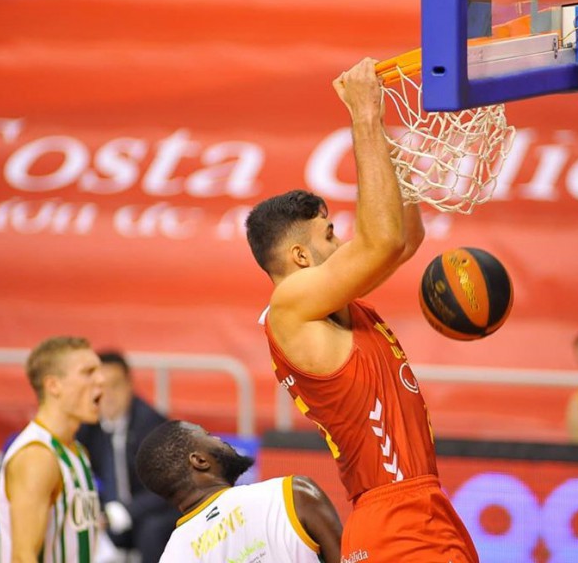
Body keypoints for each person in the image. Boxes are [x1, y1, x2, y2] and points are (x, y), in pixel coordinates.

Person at [244, 58, 478, 561]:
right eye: (330, 234)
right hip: (396, 519)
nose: (343, 241)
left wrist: (389, 141)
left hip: (416, 507)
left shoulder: (334, 306)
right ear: (300, 257)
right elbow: (383, 239)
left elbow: (404, 239)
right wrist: (365, 116)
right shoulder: (288, 305)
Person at [135, 419, 342, 563]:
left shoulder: (173, 556)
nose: (219, 439)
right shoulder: (294, 494)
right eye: (208, 435)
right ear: (199, 461)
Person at [0, 336, 105, 563]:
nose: (101, 380)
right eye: (88, 372)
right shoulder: (37, 456)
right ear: (53, 385)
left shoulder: (77, 451)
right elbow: (22, 556)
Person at [76, 350, 180, 563]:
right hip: (108, 515)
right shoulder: (87, 426)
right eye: (101, 388)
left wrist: (123, 512)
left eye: (115, 386)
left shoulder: (151, 425)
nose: (109, 396)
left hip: (154, 511)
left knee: (152, 529)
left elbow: (167, 486)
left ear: (129, 385)